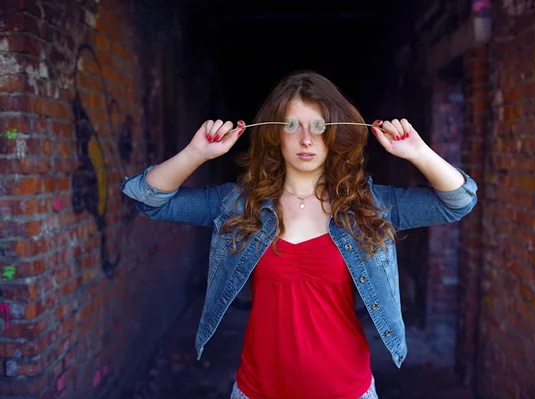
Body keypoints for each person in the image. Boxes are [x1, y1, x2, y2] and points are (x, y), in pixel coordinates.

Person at [120, 71, 478, 399]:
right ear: (275, 133)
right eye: (292, 125)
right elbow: (147, 199)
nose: (306, 139)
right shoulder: (237, 204)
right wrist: (196, 152)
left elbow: (459, 202)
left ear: (334, 132)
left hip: (347, 390)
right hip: (257, 391)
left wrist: (418, 153)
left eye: (319, 125)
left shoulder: (369, 205)